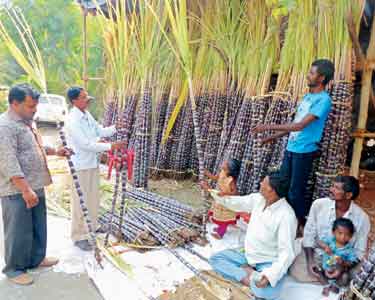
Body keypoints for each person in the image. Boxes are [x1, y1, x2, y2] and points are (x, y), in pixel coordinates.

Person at [0, 84, 72, 285]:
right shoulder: (4, 126)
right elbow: (8, 161)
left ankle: (36, 259)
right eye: (30, 106)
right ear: (15, 103)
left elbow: (33, 147)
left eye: (35, 106)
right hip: (17, 189)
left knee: (37, 226)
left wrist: (55, 151)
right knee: (19, 230)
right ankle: (14, 269)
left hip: (35, 184)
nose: (35, 110)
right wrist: (25, 189)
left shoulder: (26, 122)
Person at [252, 59, 335, 229]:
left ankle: (297, 225)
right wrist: (272, 136)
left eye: (312, 73)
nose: (308, 75)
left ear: (322, 78)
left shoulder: (323, 100)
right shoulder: (308, 97)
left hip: (304, 151)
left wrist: (267, 127)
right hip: (291, 148)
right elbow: (295, 124)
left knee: (296, 191)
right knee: (282, 185)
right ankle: (282, 222)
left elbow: (300, 126)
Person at [209, 172, 297, 300]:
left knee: (267, 294)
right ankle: (249, 274)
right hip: (247, 255)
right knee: (216, 259)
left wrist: (269, 276)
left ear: (272, 190)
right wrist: (215, 194)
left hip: (267, 262)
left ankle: (250, 274)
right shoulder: (258, 199)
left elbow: (287, 253)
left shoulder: (286, 216)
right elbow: (237, 202)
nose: (260, 183)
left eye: (264, 182)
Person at [65, 86, 125, 251]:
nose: (87, 100)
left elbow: (99, 130)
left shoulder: (86, 114)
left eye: (87, 96)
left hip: (91, 163)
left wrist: (115, 128)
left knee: (92, 197)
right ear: (74, 101)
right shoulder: (72, 120)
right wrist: (111, 146)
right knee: (80, 201)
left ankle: (92, 226)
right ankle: (79, 236)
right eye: (84, 97)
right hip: (80, 165)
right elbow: (85, 144)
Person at [289, 176, 371, 286]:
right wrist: (310, 261)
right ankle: (329, 277)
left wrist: (343, 266)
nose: (331, 190)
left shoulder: (362, 218)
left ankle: (329, 276)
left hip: (343, 258)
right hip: (317, 254)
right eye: (332, 186)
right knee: (296, 271)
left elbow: (359, 252)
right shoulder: (319, 204)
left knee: (361, 274)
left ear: (348, 195)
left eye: (336, 188)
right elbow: (309, 235)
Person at [315, 218, 358, 296]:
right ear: (333, 232)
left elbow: (352, 262)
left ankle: (335, 285)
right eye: (340, 233)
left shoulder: (349, 249)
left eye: (347, 234)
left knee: (345, 277)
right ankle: (326, 284)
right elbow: (318, 242)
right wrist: (325, 246)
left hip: (337, 273)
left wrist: (343, 262)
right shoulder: (330, 240)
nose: (343, 237)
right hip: (325, 267)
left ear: (351, 236)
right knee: (316, 268)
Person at [201, 159, 241, 239]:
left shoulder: (231, 180)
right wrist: (206, 173)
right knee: (218, 214)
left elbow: (236, 193)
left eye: (225, 163)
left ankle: (220, 234)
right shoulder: (222, 172)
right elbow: (215, 178)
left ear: (229, 168)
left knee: (223, 219)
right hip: (220, 198)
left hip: (227, 201)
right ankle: (220, 228)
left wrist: (225, 193)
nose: (223, 163)